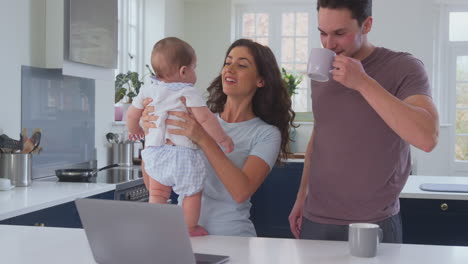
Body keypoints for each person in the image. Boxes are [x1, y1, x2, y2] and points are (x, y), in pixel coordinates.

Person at [288, 0, 439, 243]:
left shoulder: (404, 67)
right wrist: (301, 195)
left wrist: (363, 83)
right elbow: (321, 133)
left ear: (366, 25)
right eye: (322, 33)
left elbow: (427, 137)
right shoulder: (322, 70)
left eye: (339, 33)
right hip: (316, 218)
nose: (328, 44)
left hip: (374, 220)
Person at [140, 38, 296, 236]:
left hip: (231, 237)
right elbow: (151, 182)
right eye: (227, 62)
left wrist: (203, 138)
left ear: (261, 80)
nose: (229, 69)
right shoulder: (196, 119)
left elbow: (241, 191)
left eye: (241, 65)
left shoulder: (266, 134)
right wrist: (150, 135)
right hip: (185, 237)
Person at [126, 37, 234, 236]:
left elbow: (132, 114)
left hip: (154, 153)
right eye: (195, 67)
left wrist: (135, 130)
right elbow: (206, 119)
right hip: (182, 155)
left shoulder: (147, 90)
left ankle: (155, 228)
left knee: (157, 193)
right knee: (192, 193)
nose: (195, 72)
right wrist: (222, 139)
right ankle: (188, 228)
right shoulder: (187, 91)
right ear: (184, 71)